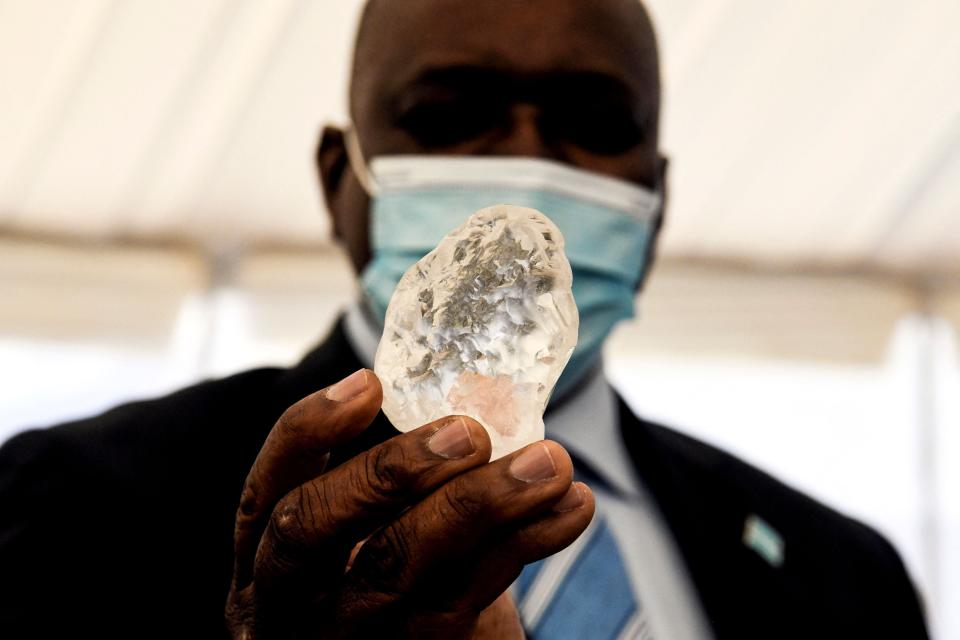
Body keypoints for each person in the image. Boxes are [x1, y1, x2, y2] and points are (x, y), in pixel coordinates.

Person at [0, 1, 931, 638]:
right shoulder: (66, 509)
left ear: (658, 194)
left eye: (596, 122)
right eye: (449, 114)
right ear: (339, 184)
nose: (527, 158)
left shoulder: (843, 578)